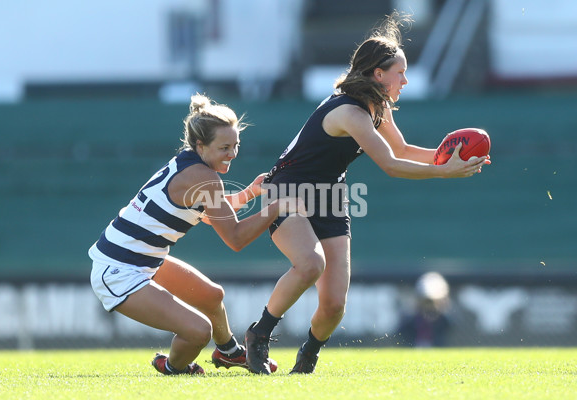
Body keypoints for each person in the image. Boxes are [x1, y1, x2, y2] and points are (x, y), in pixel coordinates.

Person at [244, 12, 490, 374]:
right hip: (289, 191)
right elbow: (389, 164)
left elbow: (402, 150)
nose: (404, 80)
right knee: (310, 265)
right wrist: (443, 172)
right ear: (378, 74)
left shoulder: (378, 108)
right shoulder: (350, 111)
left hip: (329, 197)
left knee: (333, 306)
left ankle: (307, 359)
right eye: (400, 72)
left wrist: (448, 158)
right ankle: (259, 335)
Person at [88, 94, 301, 375]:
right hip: (120, 270)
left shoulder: (192, 166)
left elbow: (215, 213)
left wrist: (250, 192)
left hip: (142, 261)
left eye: (236, 145)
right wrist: (277, 207)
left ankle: (228, 353)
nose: (232, 154)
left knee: (212, 296)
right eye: (224, 147)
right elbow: (235, 237)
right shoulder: (205, 178)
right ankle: (172, 367)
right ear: (201, 145)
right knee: (199, 331)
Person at [398, 272, 452, 347]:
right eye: (427, 302)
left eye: (433, 302)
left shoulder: (446, 321)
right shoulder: (410, 322)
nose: (430, 307)